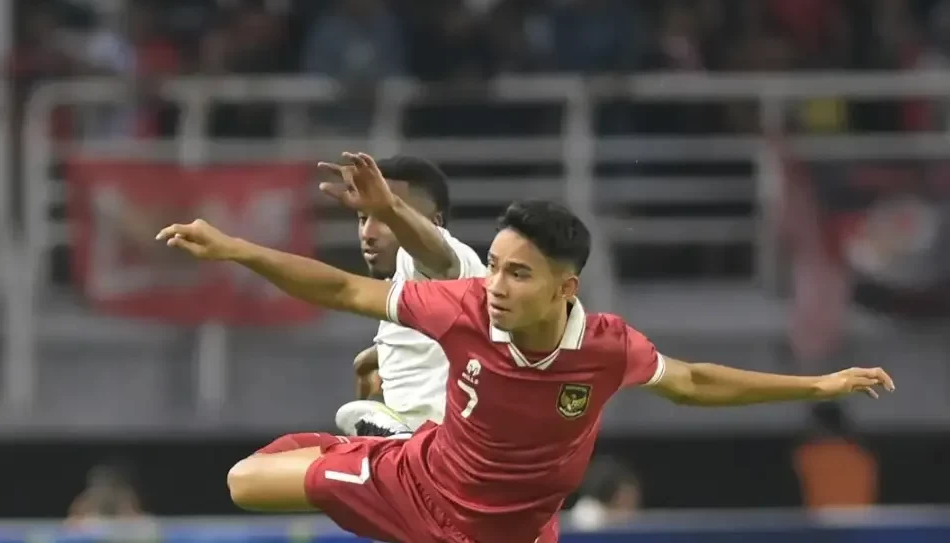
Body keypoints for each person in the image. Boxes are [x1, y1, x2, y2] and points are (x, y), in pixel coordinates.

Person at [157, 184, 895, 543]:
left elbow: (695, 380)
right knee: (245, 483)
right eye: (496, 266)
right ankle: (385, 438)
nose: (496, 286)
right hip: (418, 489)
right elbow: (346, 287)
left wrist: (820, 382)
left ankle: (387, 429)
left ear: (564, 287)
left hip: (516, 535)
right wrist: (235, 249)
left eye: (518, 273)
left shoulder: (606, 347)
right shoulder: (464, 308)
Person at [317, 153, 486, 437]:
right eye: (362, 218)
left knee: (257, 477)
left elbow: (439, 255)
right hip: (422, 451)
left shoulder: (448, 261)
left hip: (441, 451)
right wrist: (373, 359)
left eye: (384, 218)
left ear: (435, 223)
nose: (367, 233)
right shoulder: (406, 287)